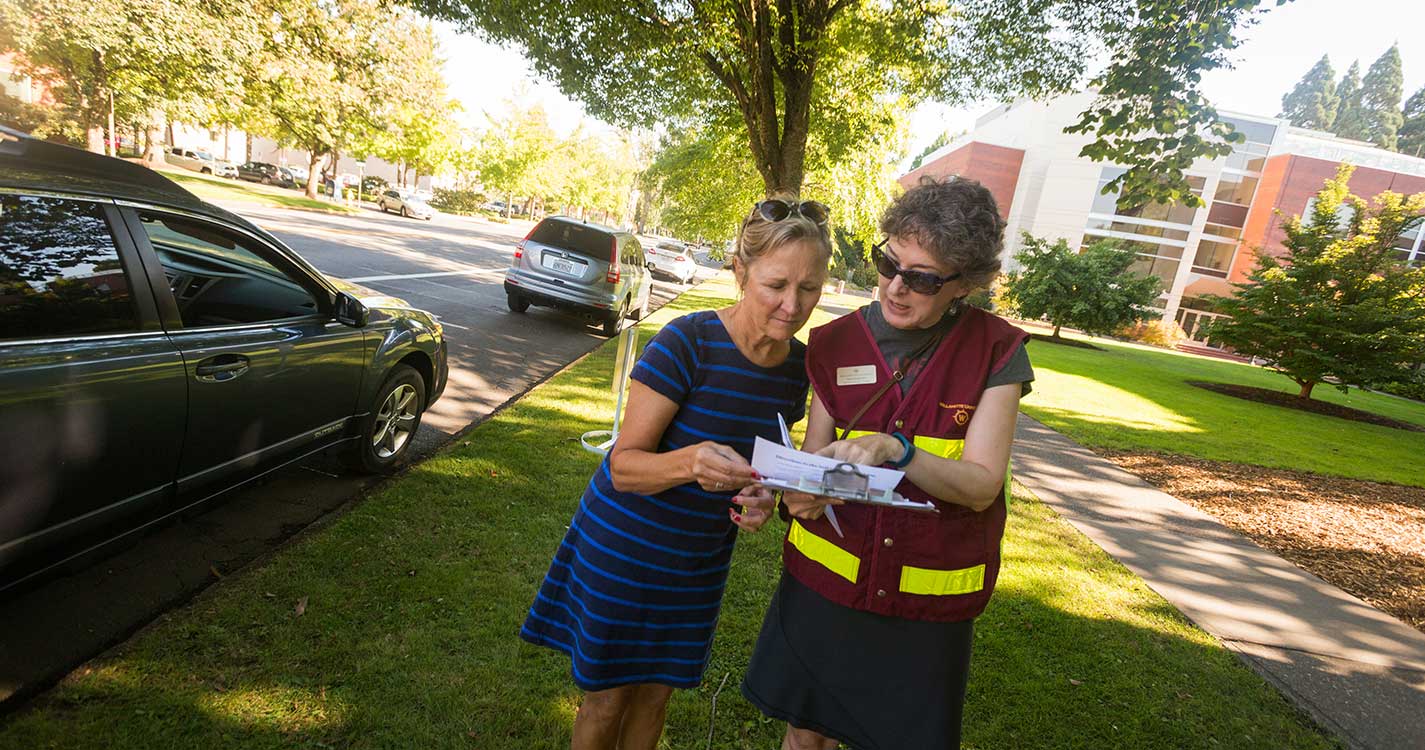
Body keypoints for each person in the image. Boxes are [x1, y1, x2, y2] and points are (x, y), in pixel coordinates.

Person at [519, 197, 833, 750]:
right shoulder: (687, 343)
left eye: (808, 289)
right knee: (608, 696)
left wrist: (759, 498)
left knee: (657, 695)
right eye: (776, 284)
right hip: (626, 547)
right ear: (741, 271)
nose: (792, 305)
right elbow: (623, 466)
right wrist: (690, 461)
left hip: (697, 561)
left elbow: (762, 466)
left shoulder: (795, 370)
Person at [741, 177, 1035, 750]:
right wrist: (797, 496)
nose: (895, 288)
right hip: (825, 583)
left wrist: (897, 449)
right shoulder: (833, 343)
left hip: (925, 599)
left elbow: (980, 487)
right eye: (887, 263)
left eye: (922, 279)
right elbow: (812, 461)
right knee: (806, 738)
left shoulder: (998, 352)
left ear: (964, 284)